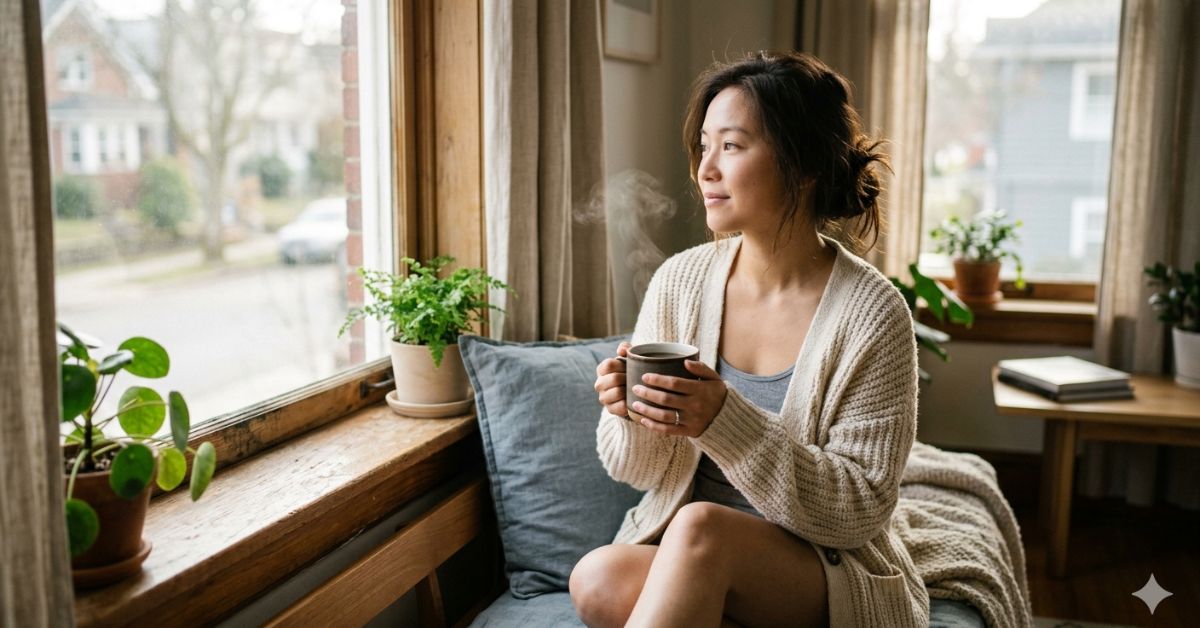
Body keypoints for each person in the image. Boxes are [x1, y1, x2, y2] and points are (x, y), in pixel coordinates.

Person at [568, 52, 928, 627]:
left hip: (820, 566)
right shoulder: (679, 280)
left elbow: (857, 511)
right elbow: (635, 472)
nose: (704, 168)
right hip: (697, 559)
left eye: (731, 147)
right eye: (705, 145)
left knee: (701, 527)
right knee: (597, 578)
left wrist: (723, 421)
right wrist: (631, 413)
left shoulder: (873, 314)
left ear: (803, 163)